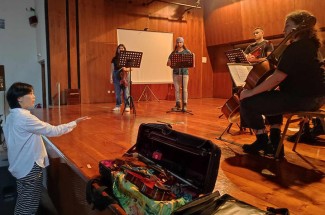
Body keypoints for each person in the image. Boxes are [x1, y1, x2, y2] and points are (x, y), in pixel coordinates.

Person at [239, 10, 325, 158]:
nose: (283, 30)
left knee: (246, 101)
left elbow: (277, 77)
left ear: (296, 28)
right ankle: (275, 140)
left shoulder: (296, 48)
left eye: (287, 25)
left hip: (303, 99)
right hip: (318, 98)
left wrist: (251, 92)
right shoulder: (311, 46)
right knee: (272, 96)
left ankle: (262, 142)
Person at [3, 82, 90, 215]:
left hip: (19, 165)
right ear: (19, 98)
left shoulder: (11, 116)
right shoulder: (25, 118)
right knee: (29, 204)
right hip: (28, 167)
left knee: (23, 199)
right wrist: (75, 123)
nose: (34, 96)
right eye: (30, 93)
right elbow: (53, 131)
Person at [167, 37, 192, 111]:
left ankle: (185, 104)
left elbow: (191, 61)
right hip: (176, 73)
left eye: (180, 42)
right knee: (177, 89)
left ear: (183, 43)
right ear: (176, 43)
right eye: (177, 42)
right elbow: (168, 63)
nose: (179, 43)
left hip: (184, 73)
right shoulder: (173, 52)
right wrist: (169, 62)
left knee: (184, 89)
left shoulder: (187, 52)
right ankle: (178, 104)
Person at [110, 44, 131, 112]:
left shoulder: (127, 58)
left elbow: (130, 68)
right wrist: (111, 77)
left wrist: (126, 69)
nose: (121, 49)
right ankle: (118, 105)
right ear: (117, 50)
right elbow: (112, 69)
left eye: (122, 48)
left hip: (124, 75)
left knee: (126, 92)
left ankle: (127, 106)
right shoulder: (114, 58)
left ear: (124, 49)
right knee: (117, 92)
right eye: (119, 48)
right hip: (116, 74)